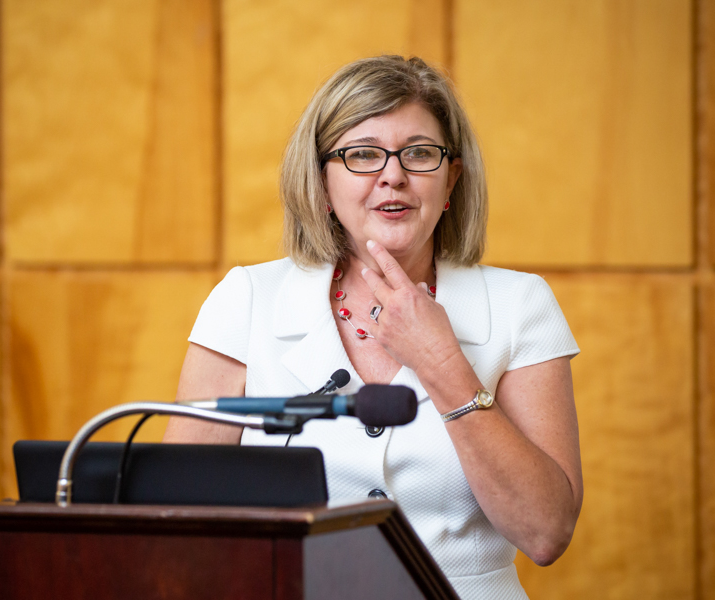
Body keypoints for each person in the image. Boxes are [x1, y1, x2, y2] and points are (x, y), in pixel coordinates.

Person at [164, 55, 583, 599]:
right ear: (321, 180)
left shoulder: (520, 304)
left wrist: (442, 362)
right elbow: (173, 517)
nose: (393, 175)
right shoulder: (245, 301)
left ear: (451, 177)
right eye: (362, 154)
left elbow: (545, 532)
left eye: (419, 154)